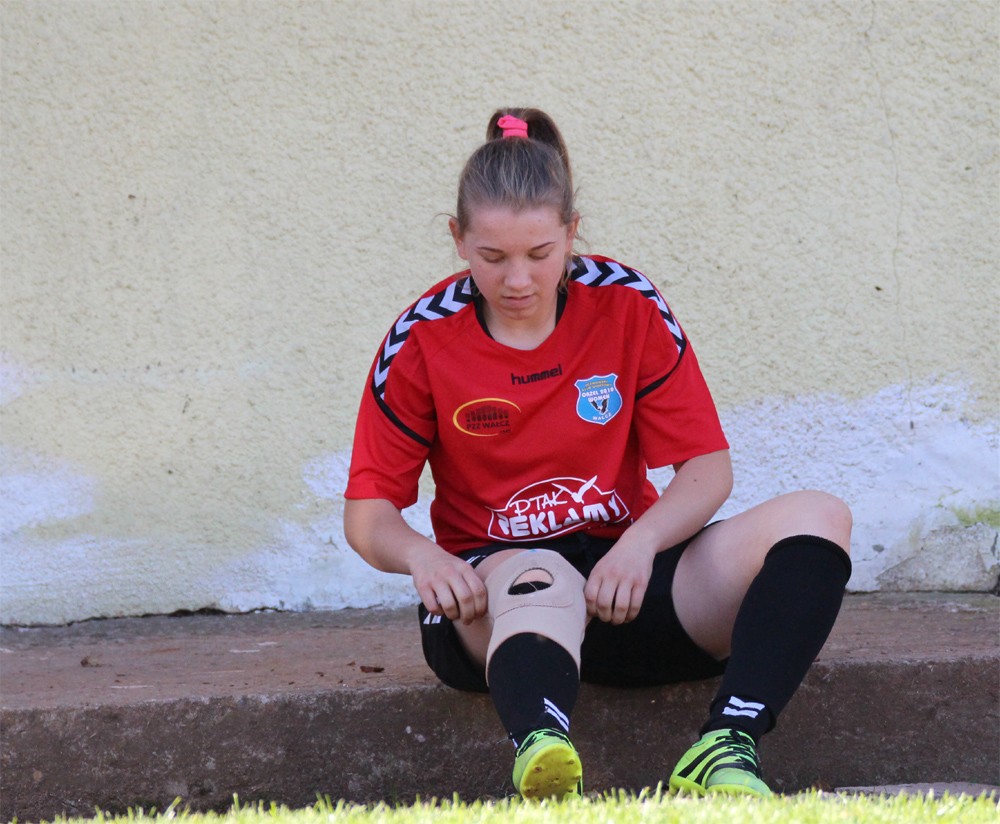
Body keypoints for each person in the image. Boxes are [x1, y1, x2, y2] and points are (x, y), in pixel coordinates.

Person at [343, 108, 852, 800]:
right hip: (498, 610)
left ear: (572, 232)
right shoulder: (422, 338)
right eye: (492, 257)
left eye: (540, 254)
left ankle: (727, 745)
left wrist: (640, 545)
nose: (517, 279)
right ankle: (543, 751)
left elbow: (707, 470)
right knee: (543, 574)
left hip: (623, 590)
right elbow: (368, 515)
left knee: (820, 515)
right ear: (458, 239)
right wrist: (423, 558)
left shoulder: (627, 304)